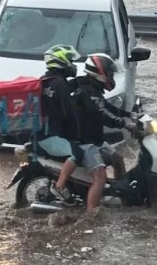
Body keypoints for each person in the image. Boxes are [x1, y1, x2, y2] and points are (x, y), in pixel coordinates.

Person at [74, 53, 138, 212]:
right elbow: (102, 113)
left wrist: (129, 115)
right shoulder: (87, 92)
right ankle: (91, 215)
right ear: (100, 73)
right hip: (84, 143)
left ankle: (121, 196)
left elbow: (108, 108)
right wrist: (123, 123)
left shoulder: (93, 90)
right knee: (100, 177)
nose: (111, 77)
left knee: (117, 159)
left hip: (94, 140)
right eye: (109, 74)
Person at [36, 44, 83, 207]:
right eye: (71, 61)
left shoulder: (46, 80)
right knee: (78, 153)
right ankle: (60, 187)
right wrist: (77, 136)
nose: (73, 65)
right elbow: (69, 114)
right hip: (50, 137)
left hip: (41, 134)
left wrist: (80, 82)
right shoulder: (59, 84)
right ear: (62, 62)